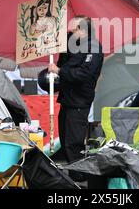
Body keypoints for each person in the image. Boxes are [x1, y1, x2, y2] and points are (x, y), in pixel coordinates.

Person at [48, 15, 104, 172]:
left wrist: (59, 70)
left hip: (79, 101)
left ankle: (80, 176)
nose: (69, 34)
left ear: (82, 30)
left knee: (74, 142)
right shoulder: (72, 46)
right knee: (65, 139)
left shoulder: (93, 47)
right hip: (67, 99)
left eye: (71, 31)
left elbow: (83, 74)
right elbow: (64, 66)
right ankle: (72, 172)